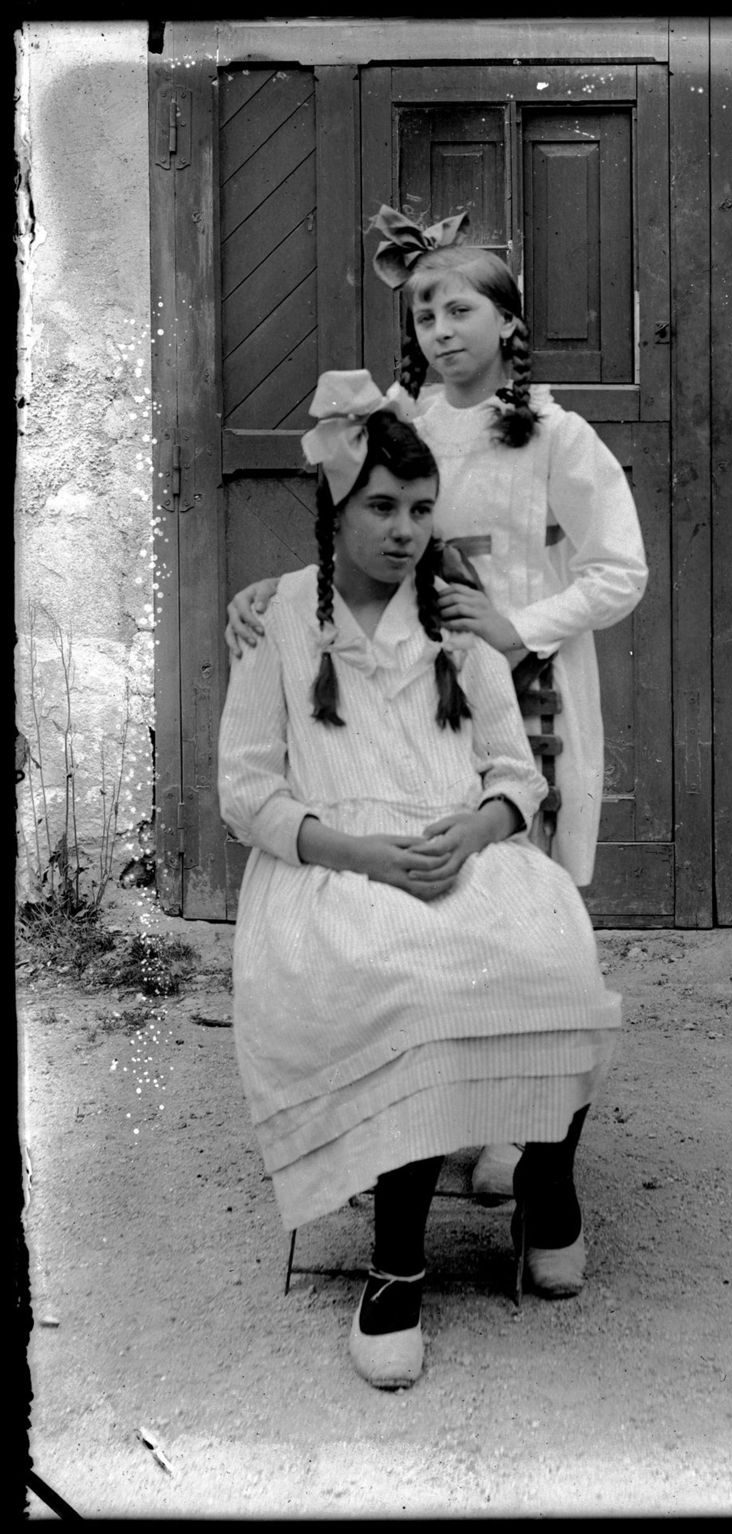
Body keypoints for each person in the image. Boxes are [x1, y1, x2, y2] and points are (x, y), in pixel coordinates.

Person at [225, 206, 648, 1201]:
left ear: (507, 321)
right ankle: (427, 1105)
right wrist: (270, 593)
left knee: (522, 892)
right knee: (430, 909)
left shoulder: (554, 433)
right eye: (422, 315)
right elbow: (361, 525)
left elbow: (619, 569)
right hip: (416, 684)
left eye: (461, 309)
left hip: (523, 672)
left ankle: (518, 1122)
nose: (439, 331)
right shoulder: (402, 428)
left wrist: (518, 625)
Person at [218, 372, 621, 1391]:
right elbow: (247, 790)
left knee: (557, 948)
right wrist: (362, 854)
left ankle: (546, 1175)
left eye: (419, 508)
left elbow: (514, 772)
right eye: (381, 508)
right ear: (337, 511)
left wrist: (479, 828)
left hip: (461, 843)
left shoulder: (452, 621)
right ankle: (396, 1260)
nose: (404, 530)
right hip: (332, 863)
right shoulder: (279, 623)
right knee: (407, 978)